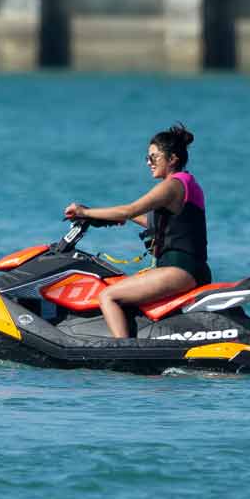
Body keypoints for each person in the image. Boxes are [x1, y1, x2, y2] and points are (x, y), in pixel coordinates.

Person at [63, 123, 209, 339]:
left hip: (178, 270)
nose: (149, 163)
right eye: (147, 158)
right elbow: (160, 223)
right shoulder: (189, 184)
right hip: (193, 269)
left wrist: (85, 211)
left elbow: (128, 209)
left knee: (108, 296)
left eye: (154, 157)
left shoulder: (172, 185)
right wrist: (118, 218)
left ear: (172, 159)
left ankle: (122, 352)